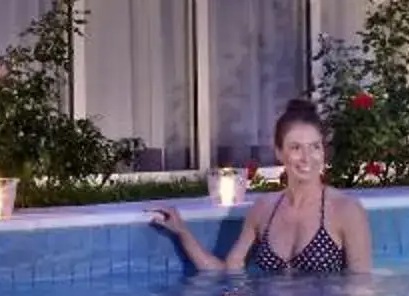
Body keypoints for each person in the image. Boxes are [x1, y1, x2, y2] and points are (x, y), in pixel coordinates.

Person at [151, 99, 375, 275]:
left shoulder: (346, 210)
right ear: (279, 152)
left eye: (315, 147)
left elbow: (360, 290)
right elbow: (227, 274)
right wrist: (183, 232)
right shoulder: (264, 210)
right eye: (296, 148)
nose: (307, 158)